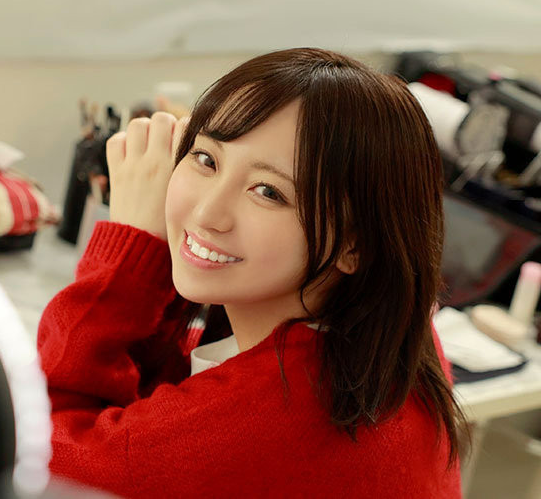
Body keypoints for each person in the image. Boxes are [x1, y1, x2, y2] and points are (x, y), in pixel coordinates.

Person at [36, 47, 467, 498]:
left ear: (354, 245)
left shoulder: (280, 409)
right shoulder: (391, 340)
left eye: (268, 192)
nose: (207, 213)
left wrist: (128, 255)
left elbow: (37, 454)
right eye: (207, 160)